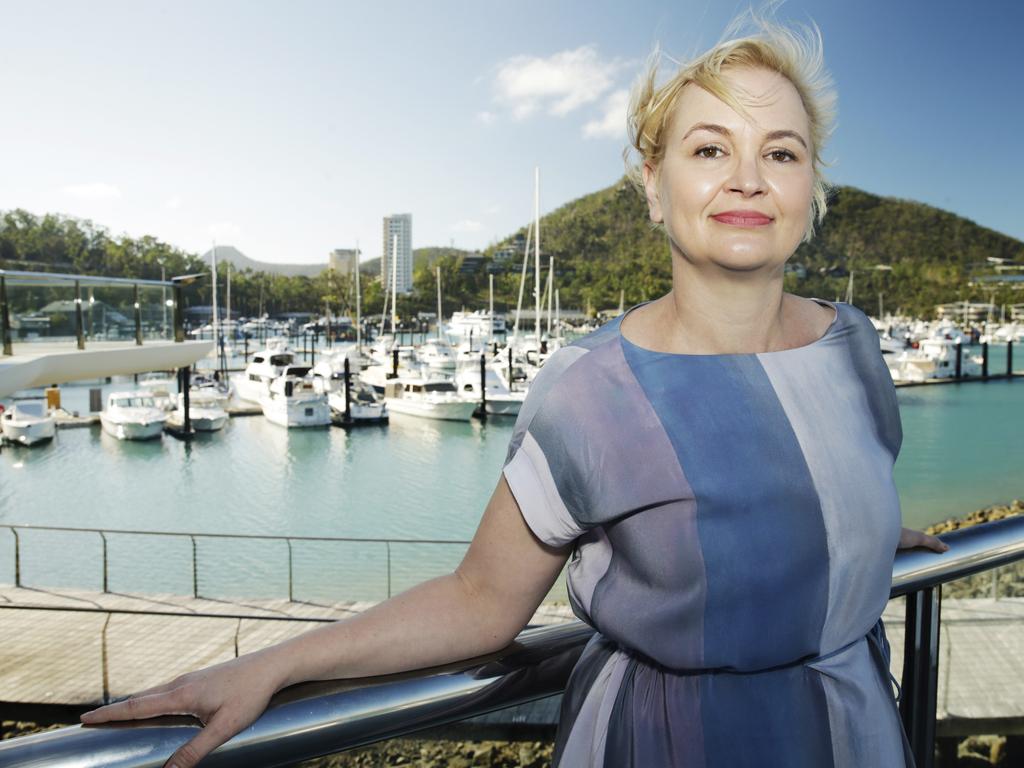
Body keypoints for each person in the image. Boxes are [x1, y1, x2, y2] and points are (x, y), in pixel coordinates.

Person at [79, 10, 949, 768]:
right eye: (709, 148)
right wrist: (275, 665)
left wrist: (851, 535)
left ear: (811, 188)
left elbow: (822, 481)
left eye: (781, 152)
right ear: (654, 185)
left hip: (852, 730)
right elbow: (481, 600)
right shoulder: (592, 390)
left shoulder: (855, 346)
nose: (747, 177)